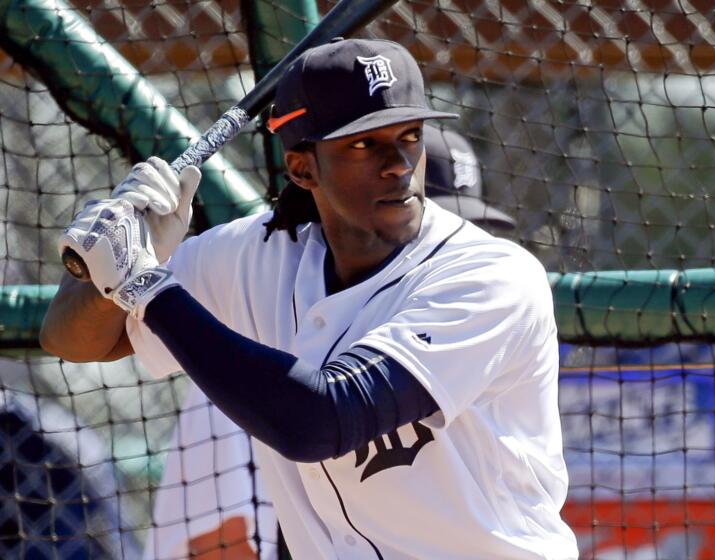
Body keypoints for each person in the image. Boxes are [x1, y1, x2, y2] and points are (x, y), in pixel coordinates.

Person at [41, 38, 578, 559]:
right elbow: (73, 339)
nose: (398, 163)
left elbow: (319, 421)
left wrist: (146, 285)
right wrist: (109, 260)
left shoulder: (490, 276)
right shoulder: (255, 255)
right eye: (364, 144)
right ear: (303, 168)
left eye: (409, 136)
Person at [143, 124, 519, 560]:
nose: (451, 253)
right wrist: (141, 286)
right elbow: (215, 546)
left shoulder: (481, 320)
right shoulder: (249, 351)